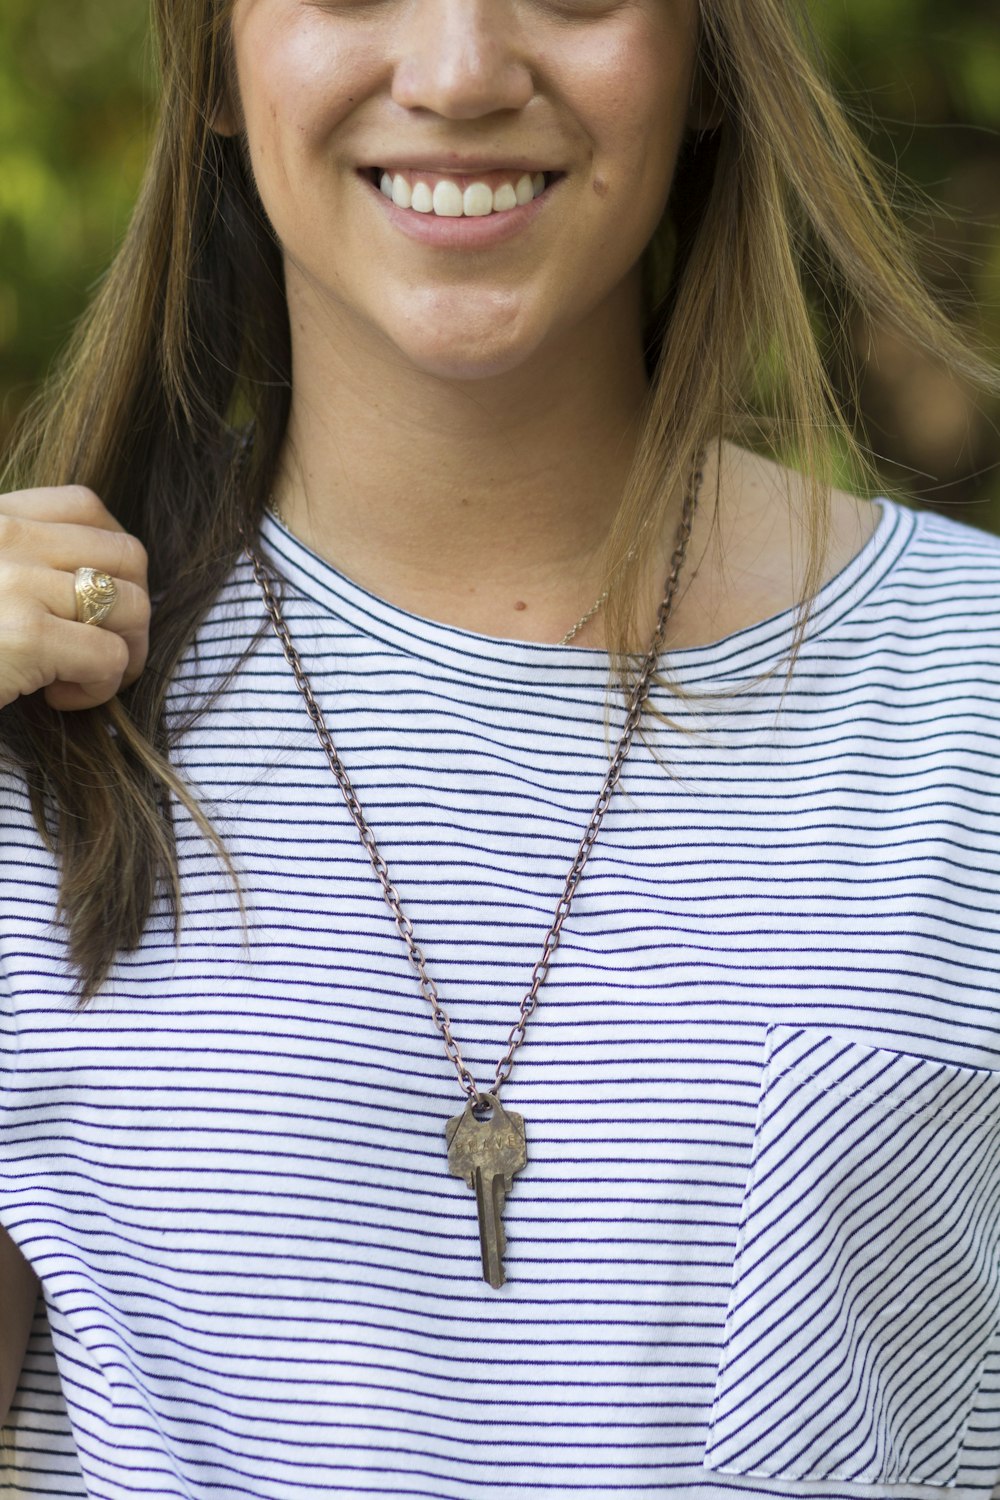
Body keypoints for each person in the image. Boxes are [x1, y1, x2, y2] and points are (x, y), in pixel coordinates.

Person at [1, 0, 998, 1496]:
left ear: (708, 57)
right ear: (214, 60)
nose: (460, 72)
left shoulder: (965, 686)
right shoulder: (41, 702)